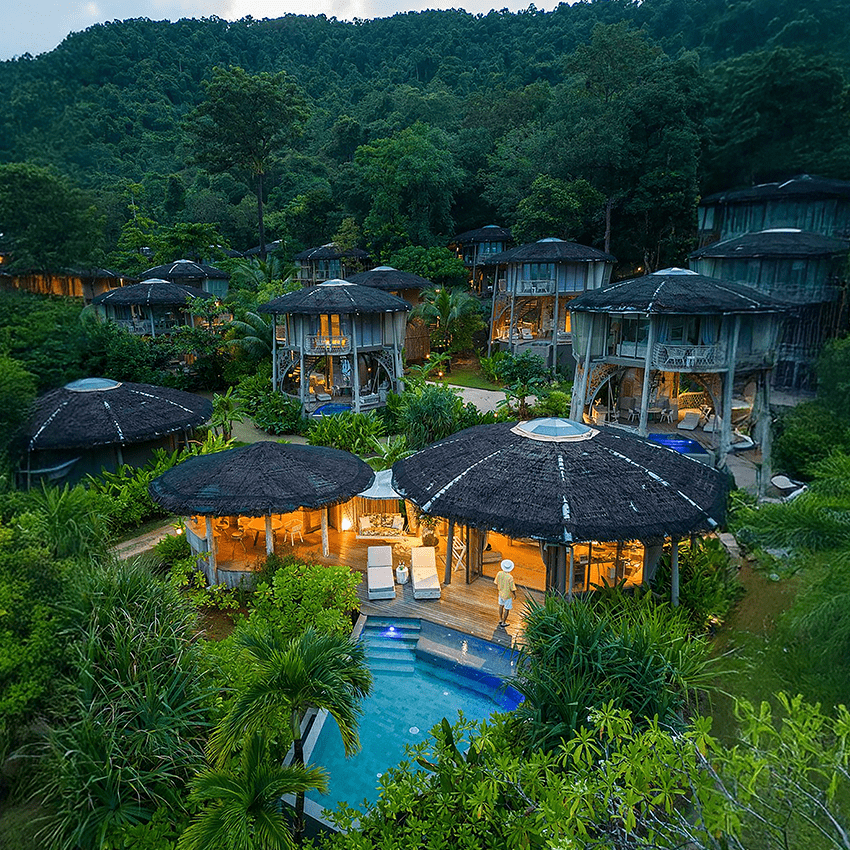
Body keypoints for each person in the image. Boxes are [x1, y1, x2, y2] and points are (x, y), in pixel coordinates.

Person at [494, 559, 516, 628]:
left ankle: (500, 619)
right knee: (507, 608)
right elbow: (512, 588)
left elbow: (496, 582)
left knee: (501, 606)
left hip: (501, 593)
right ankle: (503, 622)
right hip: (507, 595)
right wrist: (514, 594)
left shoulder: (499, 573)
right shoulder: (510, 577)